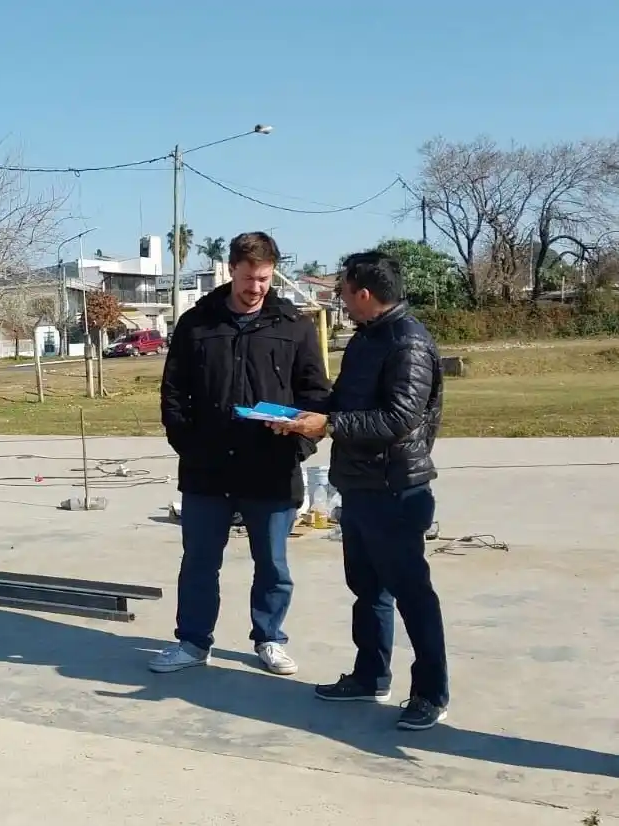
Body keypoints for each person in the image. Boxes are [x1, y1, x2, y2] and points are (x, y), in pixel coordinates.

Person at [270, 250, 448, 731]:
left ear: (364, 293)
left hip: (396, 489)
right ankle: (371, 674)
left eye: (343, 293)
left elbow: (398, 418)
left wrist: (329, 423)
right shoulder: (368, 338)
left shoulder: (407, 342)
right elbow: (347, 403)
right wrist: (297, 415)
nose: (341, 302)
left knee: (412, 594)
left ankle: (431, 691)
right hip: (361, 486)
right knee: (367, 590)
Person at [152, 231, 331, 677]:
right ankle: (193, 642)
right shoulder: (197, 324)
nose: (256, 288)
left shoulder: (295, 326)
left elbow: (318, 399)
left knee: (272, 563)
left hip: (271, 469)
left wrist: (300, 442)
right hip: (207, 471)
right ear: (230, 269)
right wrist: (188, 446)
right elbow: (173, 394)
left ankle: (269, 638)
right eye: (249, 278)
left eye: (265, 279)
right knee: (198, 563)